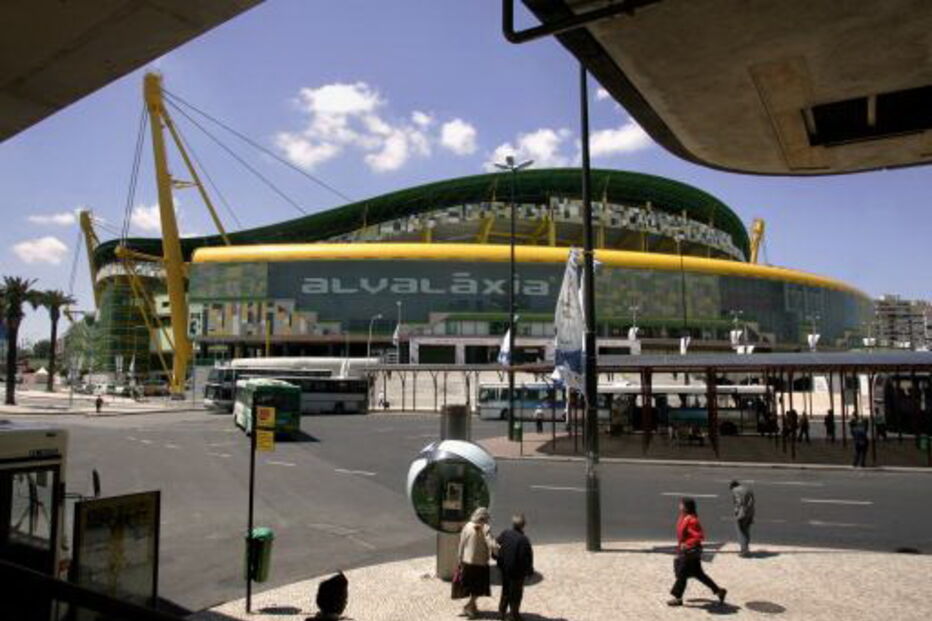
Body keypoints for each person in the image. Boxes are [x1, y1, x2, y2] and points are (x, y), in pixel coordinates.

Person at [668, 497, 727, 607]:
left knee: (681, 574)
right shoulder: (683, 516)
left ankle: (678, 598)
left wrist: (687, 544)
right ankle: (719, 591)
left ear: (686, 507)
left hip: (689, 552)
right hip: (686, 552)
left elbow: (699, 536)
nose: (679, 505)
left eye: (681, 504)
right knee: (698, 574)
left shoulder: (692, 520)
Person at [456, 507, 498, 619]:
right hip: (480, 563)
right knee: (479, 588)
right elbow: (491, 544)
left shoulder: (467, 526)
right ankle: (468, 606)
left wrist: (459, 559)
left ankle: (473, 608)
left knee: (471, 587)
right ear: (483, 518)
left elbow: (461, 543)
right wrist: (499, 550)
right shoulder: (485, 528)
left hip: (467, 562)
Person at [496, 514, 534, 621]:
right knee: (516, 593)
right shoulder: (523, 540)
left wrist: (498, 558)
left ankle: (501, 613)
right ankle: (514, 614)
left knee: (506, 590)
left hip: (505, 567)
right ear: (523, 525)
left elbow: (496, 543)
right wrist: (529, 571)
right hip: (517, 571)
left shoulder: (505, 533)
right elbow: (526, 558)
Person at [729, 481, 755, 557]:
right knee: (746, 531)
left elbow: (738, 502)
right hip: (750, 512)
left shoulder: (735, 490)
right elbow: (753, 501)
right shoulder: (748, 489)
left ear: (732, 487)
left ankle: (744, 551)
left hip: (742, 513)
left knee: (741, 532)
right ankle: (747, 548)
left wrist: (736, 512)